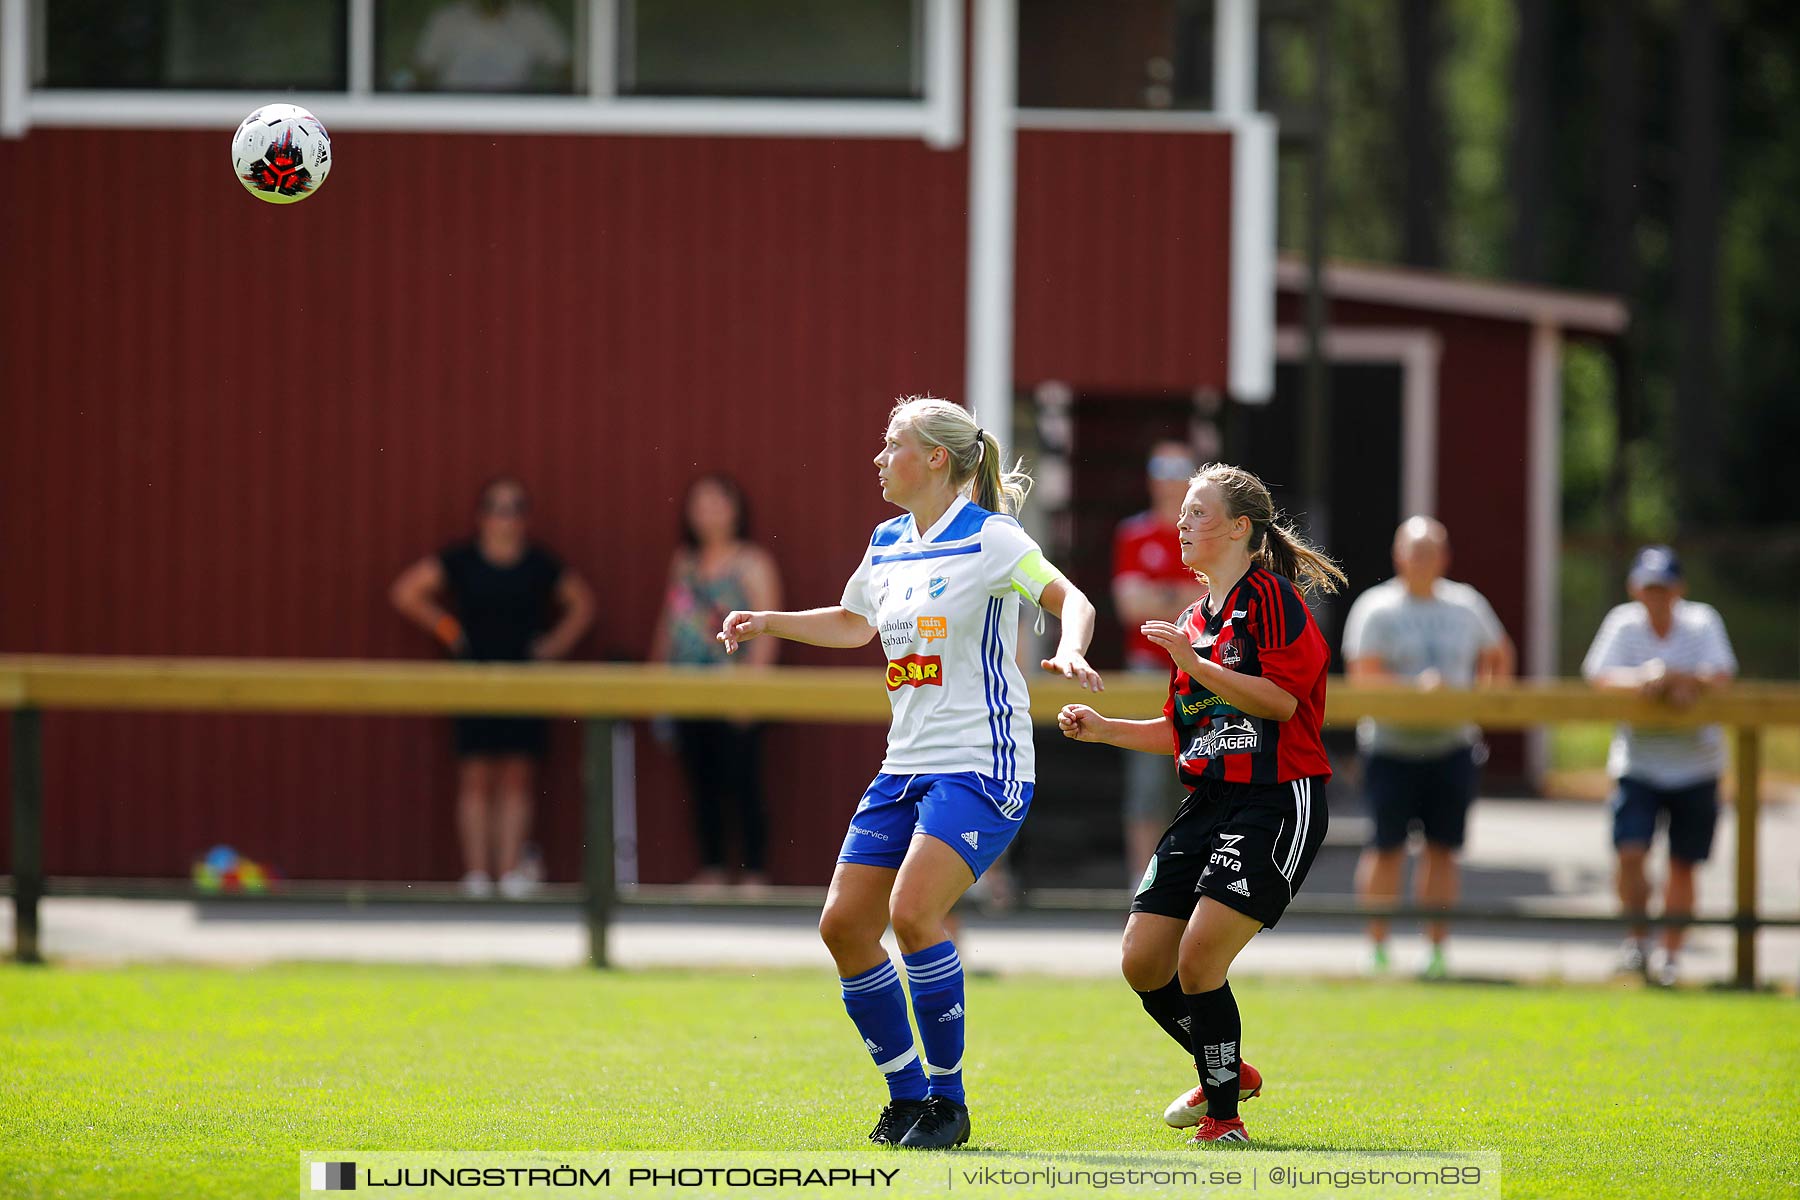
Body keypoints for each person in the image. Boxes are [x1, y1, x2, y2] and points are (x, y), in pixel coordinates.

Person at [717, 396, 1101, 1150]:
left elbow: (1069, 597)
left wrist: (1074, 645)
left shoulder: (992, 537)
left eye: (891, 444)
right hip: (904, 768)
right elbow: (855, 621)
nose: (877, 457)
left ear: (935, 459)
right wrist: (770, 622)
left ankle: (949, 1106)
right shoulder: (889, 540)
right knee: (844, 928)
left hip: (983, 766)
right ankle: (907, 1100)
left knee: (914, 914)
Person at [1057, 464, 1344, 1145]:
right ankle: (1225, 1068)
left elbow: (1278, 701)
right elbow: (1187, 731)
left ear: (1241, 528)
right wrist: (1104, 731)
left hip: (1278, 799)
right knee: (1142, 961)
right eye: (1182, 513)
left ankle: (1224, 1120)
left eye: (1198, 513)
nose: (1182, 524)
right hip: (1209, 801)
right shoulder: (1192, 619)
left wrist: (1197, 659)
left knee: (1199, 957)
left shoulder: (1272, 600)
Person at [390, 476, 595, 897]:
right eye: (498, 508)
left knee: (517, 776)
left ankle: (510, 872)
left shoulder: (540, 564)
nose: (506, 518)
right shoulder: (462, 560)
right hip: (475, 677)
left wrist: (552, 646)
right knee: (477, 776)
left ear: (525, 518)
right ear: (482, 516)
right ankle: (479, 876)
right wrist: (448, 629)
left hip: (523, 678)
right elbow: (407, 592)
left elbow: (583, 604)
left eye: (515, 508)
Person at [1341, 517, 1515, 979]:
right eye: (1414, 551)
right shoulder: (1376, 608)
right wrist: (1415, 689)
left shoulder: (1467, 604)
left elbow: (1500, 653)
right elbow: (1362, 675)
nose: (1423, 560)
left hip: (1452, 745)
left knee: (1442, 849)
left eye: (1431, 551)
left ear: (1445, 557)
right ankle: (1376, 947)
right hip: (1390, 746)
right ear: (1399, 556)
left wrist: (1483, 701)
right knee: (1386, 848)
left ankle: (1436, 950)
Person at [1581, 545, 1736, 987]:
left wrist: (1678, 680)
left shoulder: (1702, 621)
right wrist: (1644, 681)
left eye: (1663, 588)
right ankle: (1636, 942)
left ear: (1678, 589)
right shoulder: (1622, 623)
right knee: (1630, 852)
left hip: (1697, 764)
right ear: (1635, 589)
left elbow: (1722, 675)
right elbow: (1598, 677)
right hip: (1639, 762)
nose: (1656, 596)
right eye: (1649, 588)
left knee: (1683, 864)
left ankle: (1671, 955)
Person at [650, 473, 783, 892]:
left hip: (735, 689)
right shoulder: (684, 562)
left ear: (735, 509)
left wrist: (751, 691)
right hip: (688, 688)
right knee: (699, 780)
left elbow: (768, 626)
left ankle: (754, 874)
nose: (706, 513)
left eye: (716, 503)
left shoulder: (752, 563)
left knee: (742, 780)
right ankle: (711, 869)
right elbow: (670, 622)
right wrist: (655, 679)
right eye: (699, 504)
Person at [1113, 440, 1201, 886]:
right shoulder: (1134, 534)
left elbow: (1210, 603)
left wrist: (1160, 595)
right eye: (1159, 469)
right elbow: (1130, 607)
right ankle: (1141, 876)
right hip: (1148, 668)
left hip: (1202, 668)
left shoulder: (1204, 534)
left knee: (1199, 768)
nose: (1168, 480)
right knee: (1145, 775)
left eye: (1177, 470)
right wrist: (1178, 596)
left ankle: (1187, 872)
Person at [412, 0, 572, 93]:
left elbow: (566, 68)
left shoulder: (533, 19)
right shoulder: (446, 19)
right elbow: (422, 73)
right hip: (453, 116)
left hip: (515, 116)